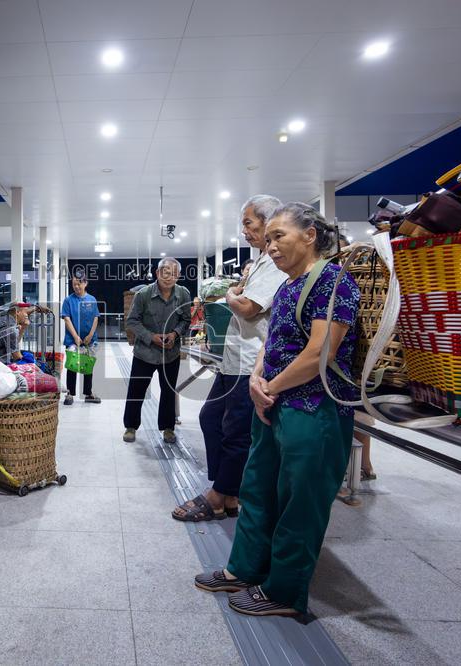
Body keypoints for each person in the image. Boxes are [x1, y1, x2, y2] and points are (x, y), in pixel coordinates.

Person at [193, 203, 361, 617]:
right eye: (267, 238)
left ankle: (284, 591)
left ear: (309, 235)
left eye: (278, 236)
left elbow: (320, 350)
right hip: (273, 404)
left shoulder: (334, 282)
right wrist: (255, 377)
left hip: (315, 410)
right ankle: (245, 569)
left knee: (298, 502)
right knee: (258, 490)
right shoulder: (287, 287)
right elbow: (273, 341)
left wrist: (269, 385)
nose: (270, 246)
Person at [173, 194, 286, 522]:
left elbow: (249, 306)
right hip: (233, 360)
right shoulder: (262, 260)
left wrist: (231, 295)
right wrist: (236, 293)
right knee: (211, 419)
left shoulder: (274, 263)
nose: (245, 232)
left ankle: (220, 495)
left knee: (236, 430)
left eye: (248, 224)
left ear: (268, 222)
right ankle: (227, 490)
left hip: (251, 361)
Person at [123, 258, 192, 443]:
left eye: (173, 273)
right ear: (157, 273)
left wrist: (175, 334)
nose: (169, 277)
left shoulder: (183, 294)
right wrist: (151, 337)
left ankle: (168, 428)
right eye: (165, 272)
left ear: (178, 275)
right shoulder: (143, 295)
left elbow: (186, 320)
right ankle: (130, 426)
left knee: (168, 391)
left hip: (170, 354)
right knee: (136, 390)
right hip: (144, 353)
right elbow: (132, 321)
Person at [61, 275, 101, 406]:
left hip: (90, 339)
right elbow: (67, 319)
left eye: (79, 284)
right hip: (72, 340)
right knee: (72, 365)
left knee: (87, 366)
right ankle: (70, 393)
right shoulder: (68, 300)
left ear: (85, 283)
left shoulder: (92, 299)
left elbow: (96, 317)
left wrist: (90, 335)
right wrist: (75, 337)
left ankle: (88, 393)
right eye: (74, 284)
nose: (76, 287)